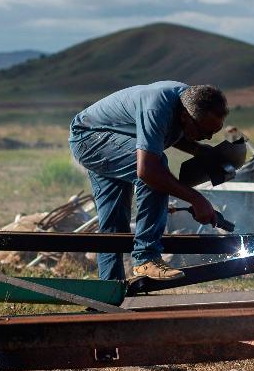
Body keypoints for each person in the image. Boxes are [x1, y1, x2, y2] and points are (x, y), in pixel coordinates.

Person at [69, 82, 228, 281]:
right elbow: (147, 172)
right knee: (156, 170)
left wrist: (200, 152)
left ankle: (110, 288)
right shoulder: (157, 107)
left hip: (108, 136)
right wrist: (196, 199)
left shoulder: (190, 100)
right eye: (204, 132)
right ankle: (146, 257)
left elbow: (162, 131)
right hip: (89, 138)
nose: (207, 137)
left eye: (213, 132)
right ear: (186, 116)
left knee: (114, 226)